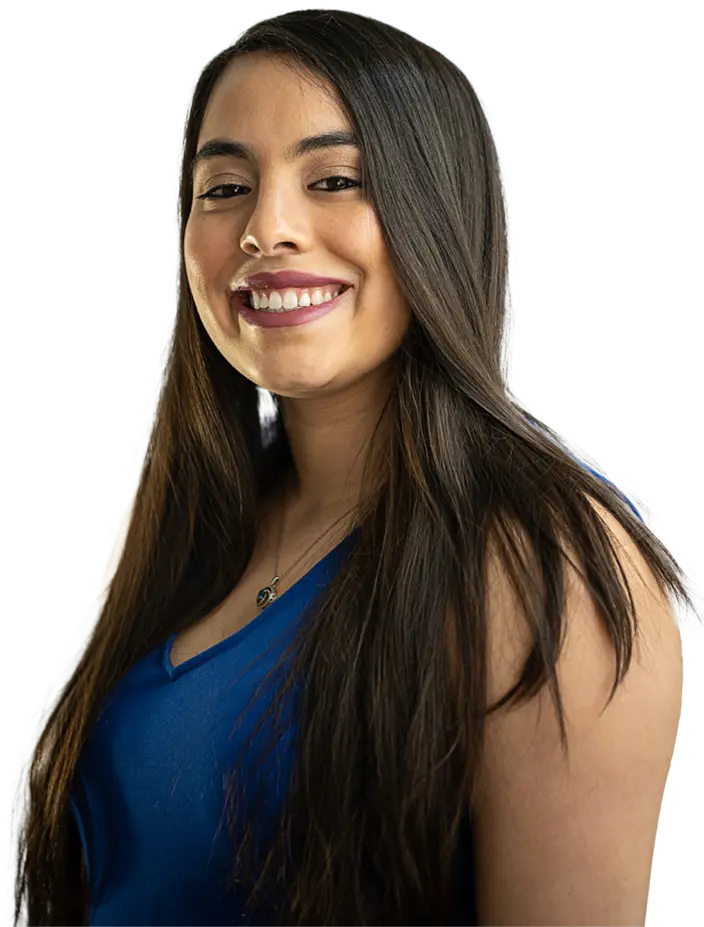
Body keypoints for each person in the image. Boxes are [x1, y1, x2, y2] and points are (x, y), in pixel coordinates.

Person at [9, 9, 697, 927]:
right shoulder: (192, 517)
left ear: (438, 218)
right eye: (224, 188)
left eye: (335, 179)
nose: (267, 228)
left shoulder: (550, 563)